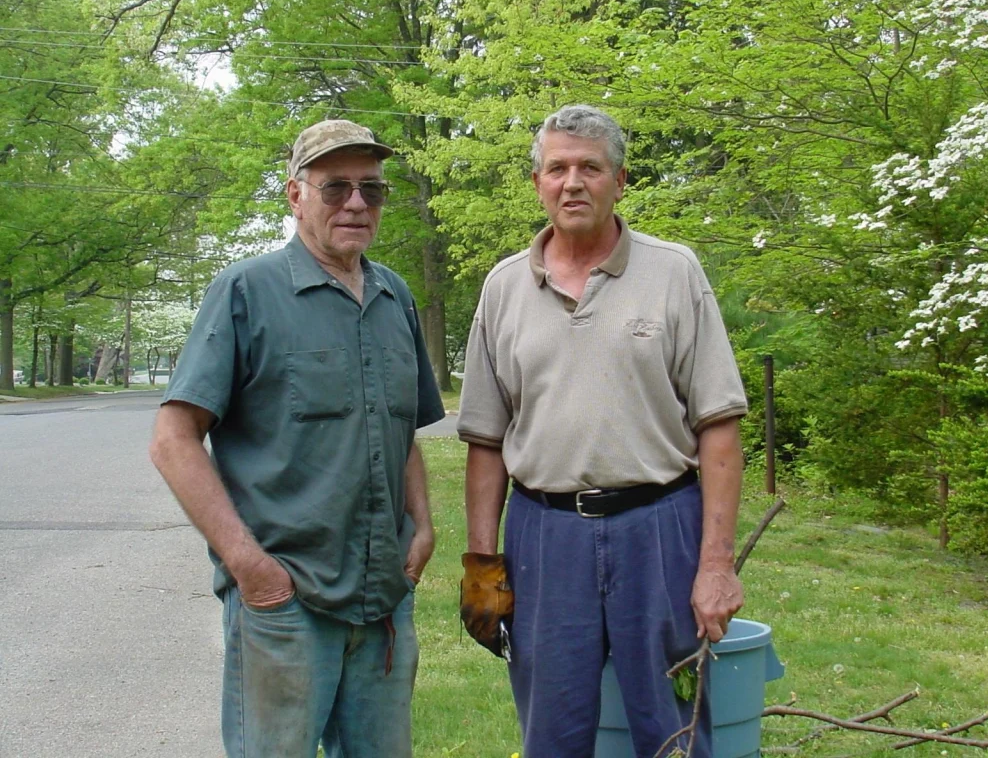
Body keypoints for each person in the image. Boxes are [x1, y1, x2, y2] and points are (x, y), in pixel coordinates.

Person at [456, 105, 748, 758]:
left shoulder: (675, 273)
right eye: (557, 168)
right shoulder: (504, 288)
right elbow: (485, 442)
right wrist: (482, 568)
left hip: (662, 530)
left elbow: (720, 428)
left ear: (620, 181)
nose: (573, 182)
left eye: (591, 167)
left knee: (674, 732)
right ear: (537, 183)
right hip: (544, 537)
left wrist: (715, 564)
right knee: (551, 736)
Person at [149, 119, 445, 758]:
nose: (357, 204)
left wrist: (422, 526)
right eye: (335, 187)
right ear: (295, 195)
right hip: (287, 602)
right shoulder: (245, 293)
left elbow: (402, 428)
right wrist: (248, 565)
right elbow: (173, 440)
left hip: (384, 596)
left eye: (372, 189)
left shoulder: (396, 297)